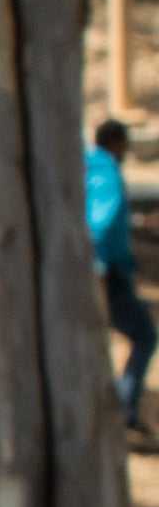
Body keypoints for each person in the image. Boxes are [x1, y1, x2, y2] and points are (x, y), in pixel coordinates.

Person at [92, 121, 148, 434]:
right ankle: (123, 410)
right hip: (108, 275)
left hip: (103, 272)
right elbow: (103, 223)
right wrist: (100, 266)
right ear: (116, 143)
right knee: (145, 336)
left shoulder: (88, 168)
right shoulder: (107, 174)